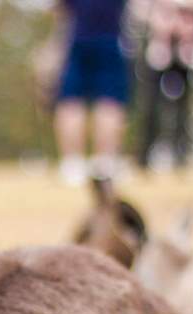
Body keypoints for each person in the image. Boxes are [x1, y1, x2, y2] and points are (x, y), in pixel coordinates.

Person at [48, 0, 132, 185]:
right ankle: (105, 164)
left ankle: (72, 164)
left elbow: (59, 10)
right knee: (110, 102)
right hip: (111, 40)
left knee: (70, 101)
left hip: (77, 39)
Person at [136, 0, 193, 171]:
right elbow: (138, 10)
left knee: (184, 105)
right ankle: (146, 152)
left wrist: (184, 10)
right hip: (158, 46)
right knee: (151, 103)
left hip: (186, 48)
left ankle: (181, 152)